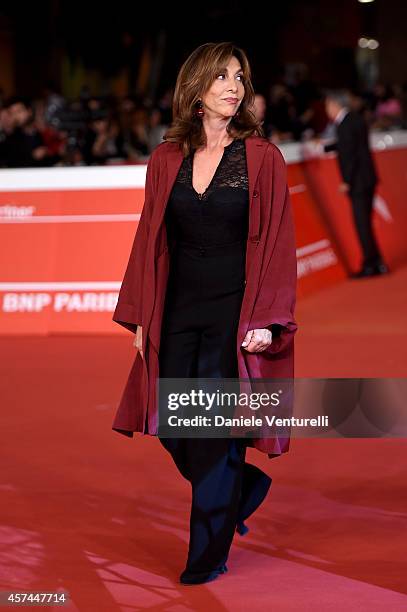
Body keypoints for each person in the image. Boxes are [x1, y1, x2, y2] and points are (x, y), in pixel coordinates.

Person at [112, 42, 298, 585]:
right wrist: (144, 317)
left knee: (213, 429)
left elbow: (279, 243)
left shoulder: (263, 158)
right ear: (196, 89)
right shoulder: (164, 159)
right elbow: (149, 240)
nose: (233, 86)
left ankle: (207, 553)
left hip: (234, 312)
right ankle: (244, 489)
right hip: (176, 308)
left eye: (239, 76)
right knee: (175, 428)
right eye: (220, 76)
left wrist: (267, 318)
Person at [323, 90, 389, 278]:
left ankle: (370, 265)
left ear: (335, 105)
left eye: (328, 106)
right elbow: (349, 145)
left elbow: (349, 155)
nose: (327, 110)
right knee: (365, 224)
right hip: (368, 178)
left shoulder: (344, 125)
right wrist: (326, 146)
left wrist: (346, 180)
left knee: (362, 225)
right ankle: (377, 263)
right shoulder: (355, 119)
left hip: (358, 181)